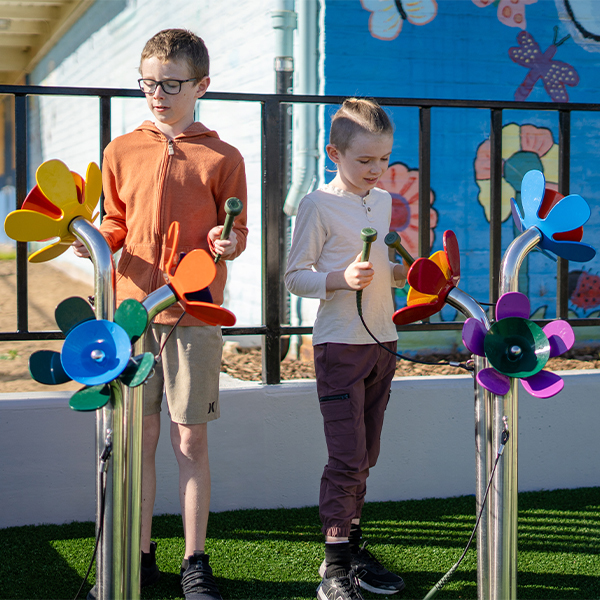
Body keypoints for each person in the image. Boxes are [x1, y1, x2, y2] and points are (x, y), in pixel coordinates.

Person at [73, 28, 248, 600]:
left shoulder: (223, 156)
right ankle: (141, 554)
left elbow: (237, 232)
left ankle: (195, 560)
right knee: (140, 438)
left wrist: (228, 240)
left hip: (193, 316)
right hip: (130, 315)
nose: (157, 94)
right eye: (148, 83)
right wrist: (97, 239)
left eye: (170, 84)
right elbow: (117, 220)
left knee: (189, 442)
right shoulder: (120, 150)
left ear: (201, 85)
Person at [285, 98, 408, 600]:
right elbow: (294, 277)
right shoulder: (317, 205)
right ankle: (334, 569)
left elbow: (383, 274)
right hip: (340, 346)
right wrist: (338, 279)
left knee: (368, 452)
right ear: (333, 153)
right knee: (347, 457)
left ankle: (353, 547)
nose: (376, 170)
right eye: (365, 161)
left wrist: (410, 276)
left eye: (383, 159)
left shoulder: (380, 201)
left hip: (384, 342)